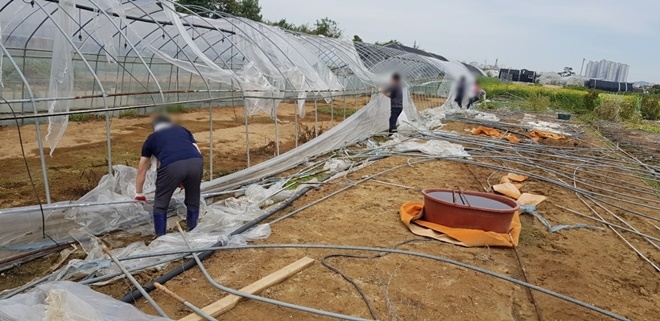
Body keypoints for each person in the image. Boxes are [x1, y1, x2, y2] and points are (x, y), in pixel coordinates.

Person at [134, 115, 203, 237]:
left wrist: (139, 193)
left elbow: (142, 169)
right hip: (196, 162)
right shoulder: (183, 130)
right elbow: (197, 151)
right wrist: (186, 177)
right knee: (193, 201)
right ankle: (193, 232)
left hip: (171, 165)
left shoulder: (151, 139)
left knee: (160, 205)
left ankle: (161, 238)